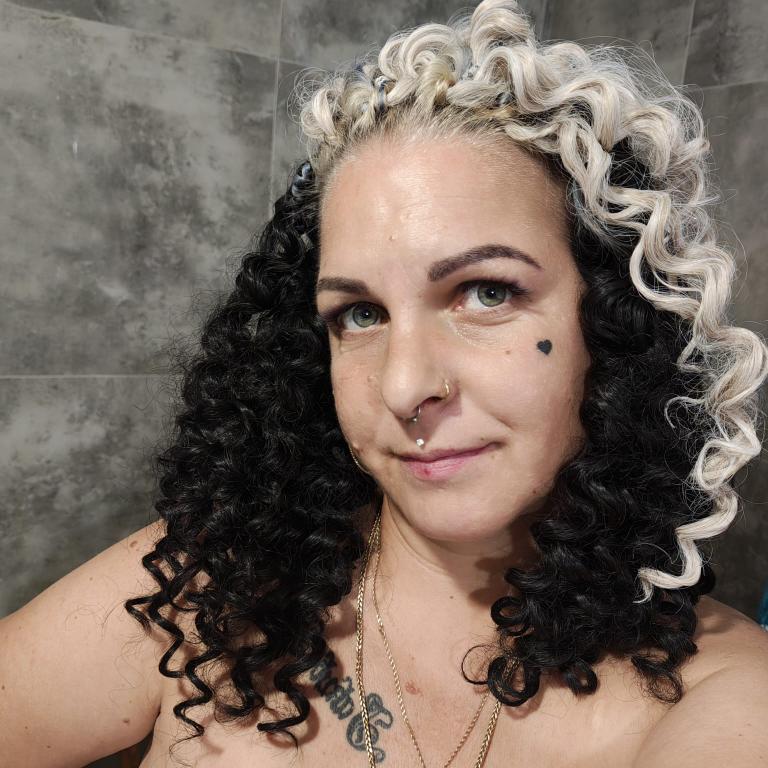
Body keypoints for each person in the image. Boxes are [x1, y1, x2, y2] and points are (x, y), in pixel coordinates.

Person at [2, 1, 768, 766]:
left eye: (487, 292)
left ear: (614, 322)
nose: (404, 387)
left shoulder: (721, 700)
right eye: (360, 314)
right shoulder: (207, 589)